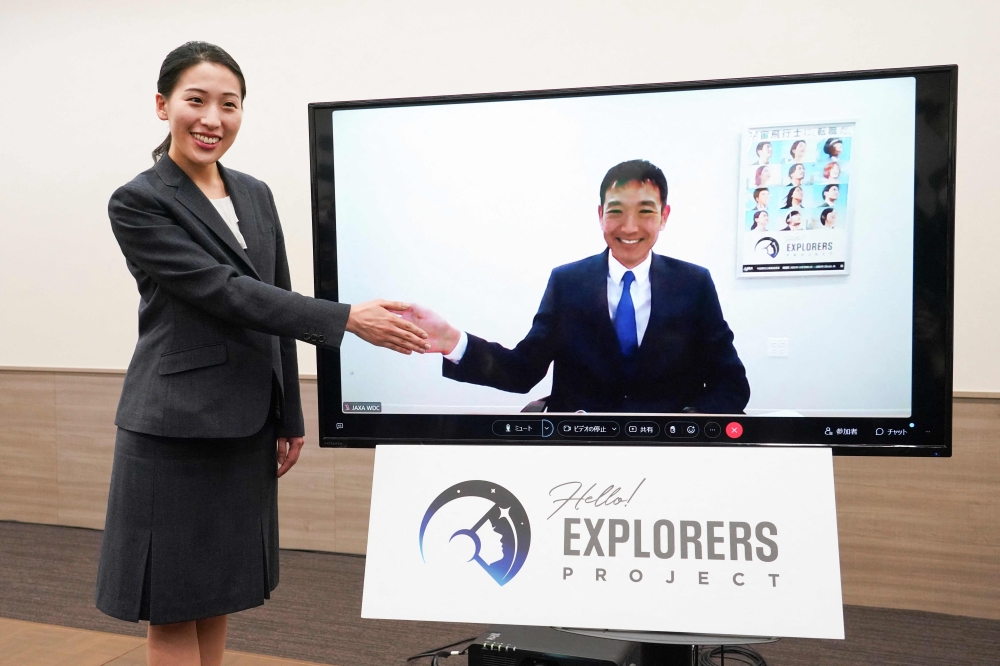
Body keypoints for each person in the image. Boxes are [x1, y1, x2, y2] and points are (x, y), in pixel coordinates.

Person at [95, 42, 429, 666]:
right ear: (163, 105)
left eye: (229, 104)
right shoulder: (138, 201)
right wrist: (345, 318)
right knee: (172, 605)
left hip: (245, 423)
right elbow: (226, 292)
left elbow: (274, 297)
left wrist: (289, 416)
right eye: (196, 101)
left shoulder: (254, 193)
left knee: (216, 593)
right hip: (173, 429)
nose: (212, 119)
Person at [401, 160, 750, 414]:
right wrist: (452, 341)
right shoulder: (568, 282)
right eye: (616, 211)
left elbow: (731, 384)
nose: (630, 227)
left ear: (664, 216)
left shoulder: (694, 284)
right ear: (600, 215)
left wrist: (688, 424)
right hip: (580, 453)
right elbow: (522, 371)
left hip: (668, 452)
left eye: (645, 211)